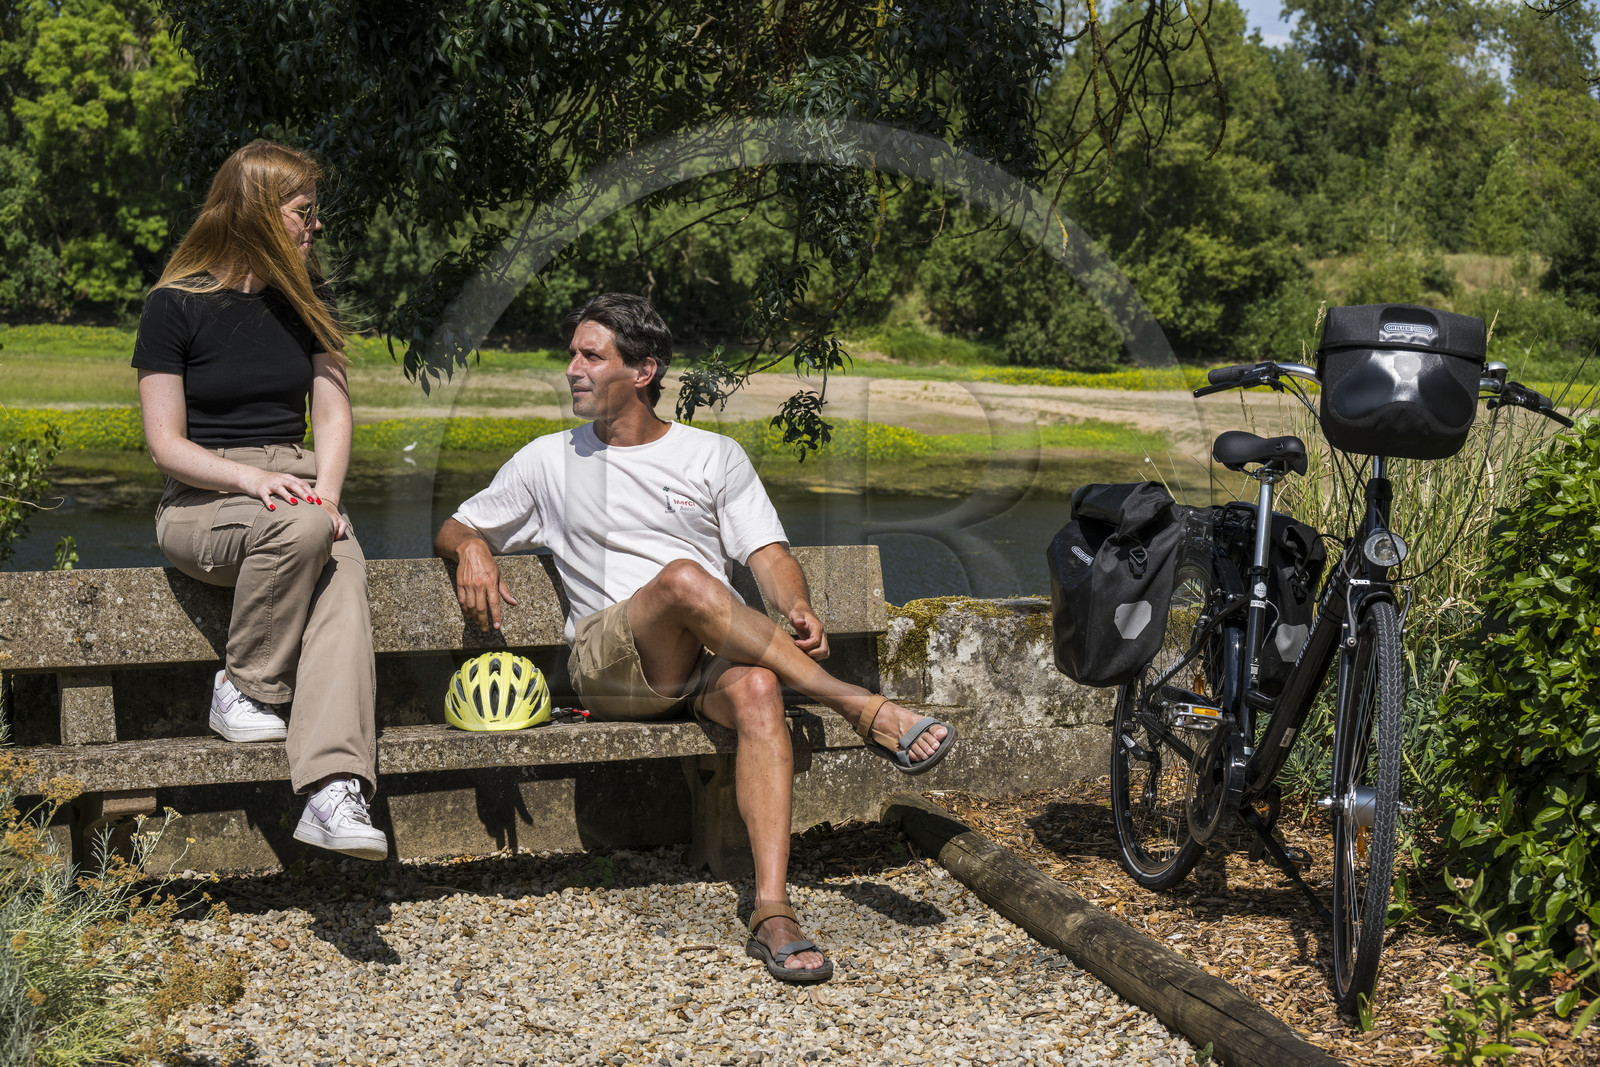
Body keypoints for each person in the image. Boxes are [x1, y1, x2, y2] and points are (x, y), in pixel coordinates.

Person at [435, 293, 956, 983]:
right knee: (682, 578)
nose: (572, 369)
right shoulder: (547, 461)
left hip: (705, 663)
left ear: (644, 370)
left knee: (761, 684)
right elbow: (456, 524)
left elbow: (766, 553)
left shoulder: (713, 454)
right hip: (612, 666)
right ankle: (861, 706)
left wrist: (793, 601)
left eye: (592, 355)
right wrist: (471, 548)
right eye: (573, 354)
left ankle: (772, 910)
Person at [132, 140, 386, 862]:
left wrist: (328, 494)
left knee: (342, 568)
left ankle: (334, 788)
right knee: (309, 528)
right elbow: (165, 444)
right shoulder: (174, 305)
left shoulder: (307, 300)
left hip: (300, 487)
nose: (315, 227)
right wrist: (251, 481)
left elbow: (333, 414)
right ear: (259, 212)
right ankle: (242, 684)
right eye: (304, 212)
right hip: (205, 497)